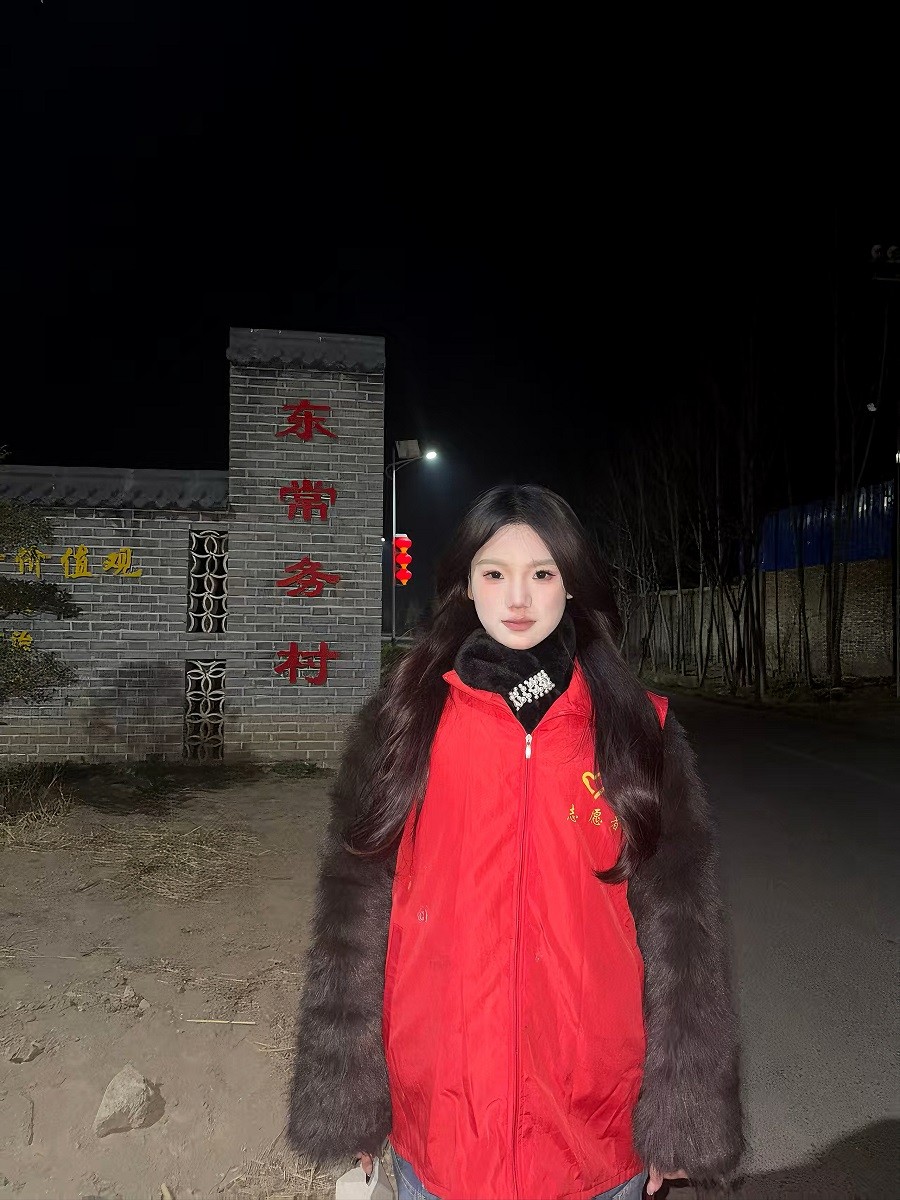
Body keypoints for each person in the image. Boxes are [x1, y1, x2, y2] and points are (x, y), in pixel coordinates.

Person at [287, 484, 743, 1200]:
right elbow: (351, 917)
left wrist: (684, 1118)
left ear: (573, 583)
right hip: (441, 1126)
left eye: (543, 573)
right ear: (466, 584)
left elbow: (685, 934)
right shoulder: (403, 721)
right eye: (495, 573)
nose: (519, 598)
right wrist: (347, 1101)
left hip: (597, 1132)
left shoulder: (637, 729)